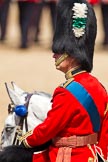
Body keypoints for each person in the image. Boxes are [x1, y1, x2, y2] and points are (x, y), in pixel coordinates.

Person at [19, 0, 108, 161]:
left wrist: (24, 140)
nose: (54, 55)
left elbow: (48, 129)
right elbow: (105, 132)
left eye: (59, 52)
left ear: (71, 54)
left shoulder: (66, 91)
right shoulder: (99, 86)